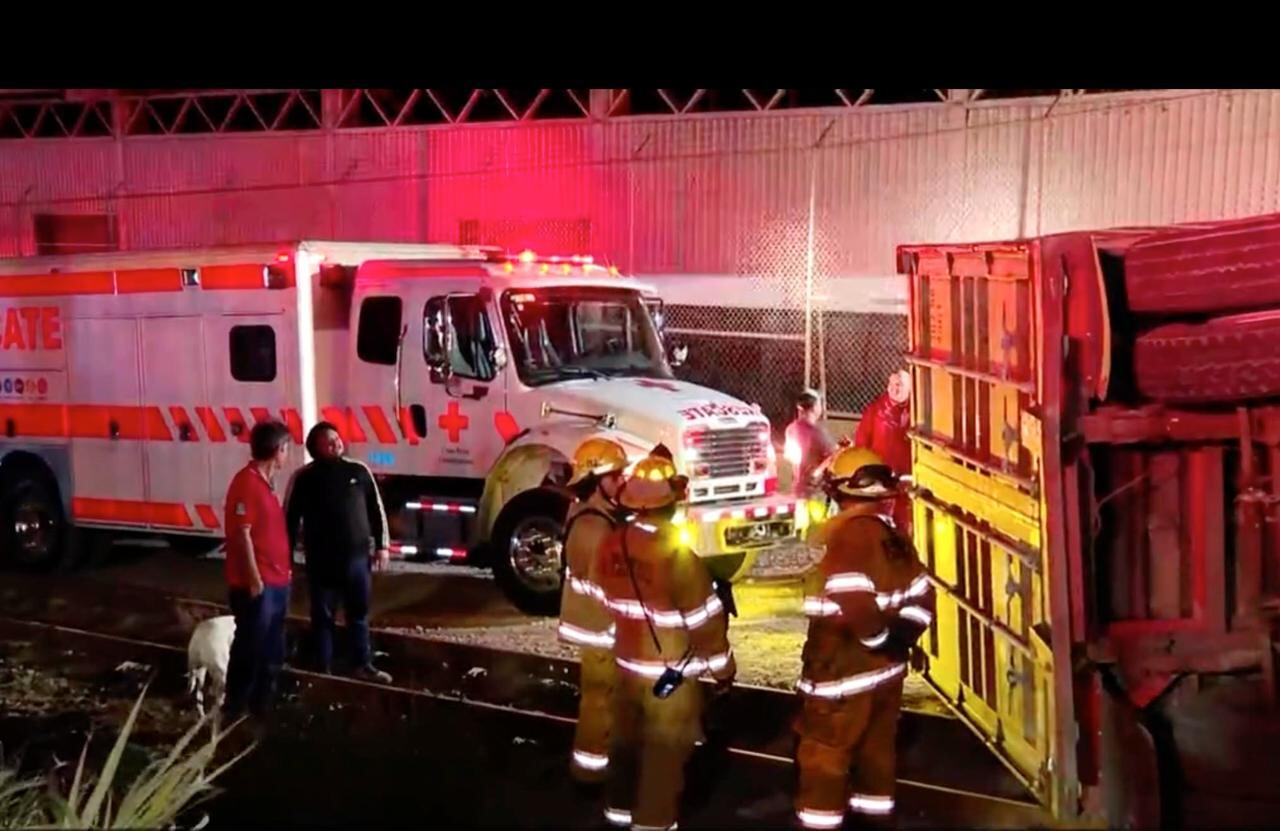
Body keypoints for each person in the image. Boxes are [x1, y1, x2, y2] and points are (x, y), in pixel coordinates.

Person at [792, 447, 936, 829]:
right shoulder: (895, 537)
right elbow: (923, 595)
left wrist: (877, 640)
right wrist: (898, 640)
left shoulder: (843, 537)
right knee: (877, 760)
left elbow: (850, 597)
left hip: (841, 675)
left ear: (839, 492)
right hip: (886, 676)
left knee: (824, 763)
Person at [594, 450, 736, 830]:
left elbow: (604, 601)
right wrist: (724, 673)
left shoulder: (612, 545)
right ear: (670, 503)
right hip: (669, 684)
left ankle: (617, 817)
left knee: (624, 752)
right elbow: (706, 626)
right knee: (662, 763)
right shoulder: (678, 556)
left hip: (625, 671)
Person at [284, 421, 392, 684]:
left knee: (359, 614)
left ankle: (362, 665)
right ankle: (323, 667)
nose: (336, 442)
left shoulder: (358, 471)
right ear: (315, 448)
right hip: (321, 561)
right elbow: (288, 519)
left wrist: (382, 546)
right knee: (322, 617)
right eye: (328, 440)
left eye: (336, 437)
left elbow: (376, 510)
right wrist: (285, 559)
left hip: (357, 559)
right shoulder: (304, 478)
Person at [558, 437, 629, 786]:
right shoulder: (594, 527)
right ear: (596, 480)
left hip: (599, 626)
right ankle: (590, 775)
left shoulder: (595, 515)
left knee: (602, 701)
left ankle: (598, 766)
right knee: (600, 703)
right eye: (615, 476)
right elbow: (610, 586)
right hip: (601, 629)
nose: (622, 482)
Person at [222, 420, 294, 721]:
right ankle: (236, 708)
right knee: (250, 647)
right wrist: (254, 578)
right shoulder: (247, 483)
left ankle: (263, 705)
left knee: (272, 649)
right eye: (287, 448)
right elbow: (242, 534)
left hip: (277, 581)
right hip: (259, 585)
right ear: (278, 450)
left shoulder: (266, 483)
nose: (288, 454)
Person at [853, 370, 913, 534]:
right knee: (880, 522)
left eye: (899, 385)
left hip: (906, 478)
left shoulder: (917, 410)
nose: (894, 389)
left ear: (910, 388)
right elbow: (862, 443)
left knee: (905, 523)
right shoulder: (876, 411)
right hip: (881, 478)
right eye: (891, 384)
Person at [785, 389, 838, 497]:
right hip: (816, 490)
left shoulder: (791, 429)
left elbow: (790, 456)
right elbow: (833, 455)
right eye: (819, 403)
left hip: (798, 487)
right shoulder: (817, 432)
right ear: (814, 408)